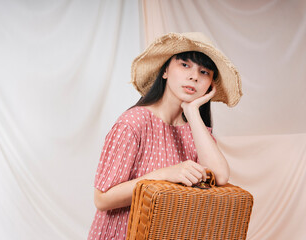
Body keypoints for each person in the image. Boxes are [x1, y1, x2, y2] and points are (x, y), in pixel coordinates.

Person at [88, 32, 242, 240]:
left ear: (210, 85)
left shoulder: (196, 132)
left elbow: (220, 177)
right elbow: (102, 199)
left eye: (204, 72)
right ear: (165, 71)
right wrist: (165, 175)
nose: (194, 76)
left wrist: (193, 112)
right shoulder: (133, 123)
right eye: (185, 65)